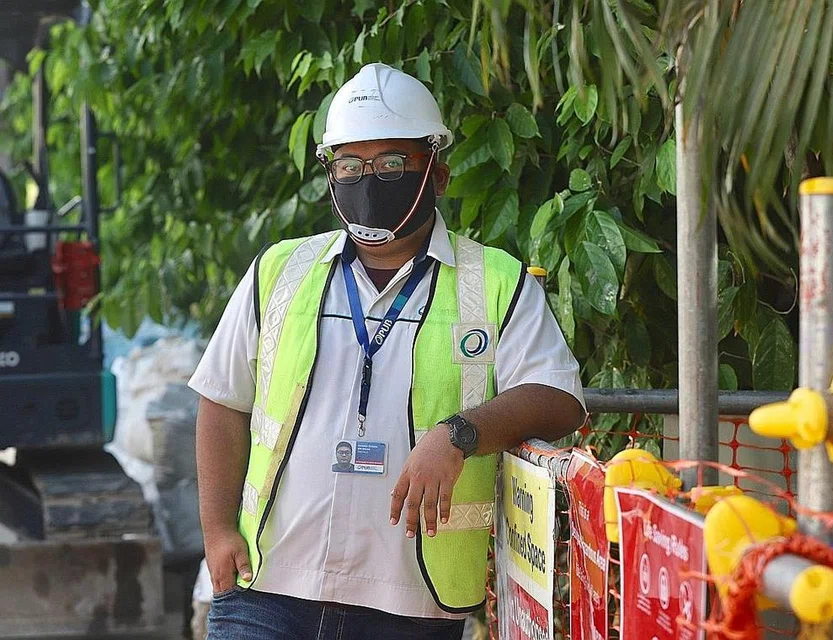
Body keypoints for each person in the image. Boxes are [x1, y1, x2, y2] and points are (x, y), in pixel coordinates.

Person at [191, 62, 585, 640]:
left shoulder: (496, 282)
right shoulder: (279, 271)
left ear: (439, 174)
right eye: (350, 164)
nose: (368, 180)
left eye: (393, 163)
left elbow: (558, 397)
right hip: (267, 587)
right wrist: (216, 531)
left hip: (412, 604)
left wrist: (459, 434)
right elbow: (222, 402)